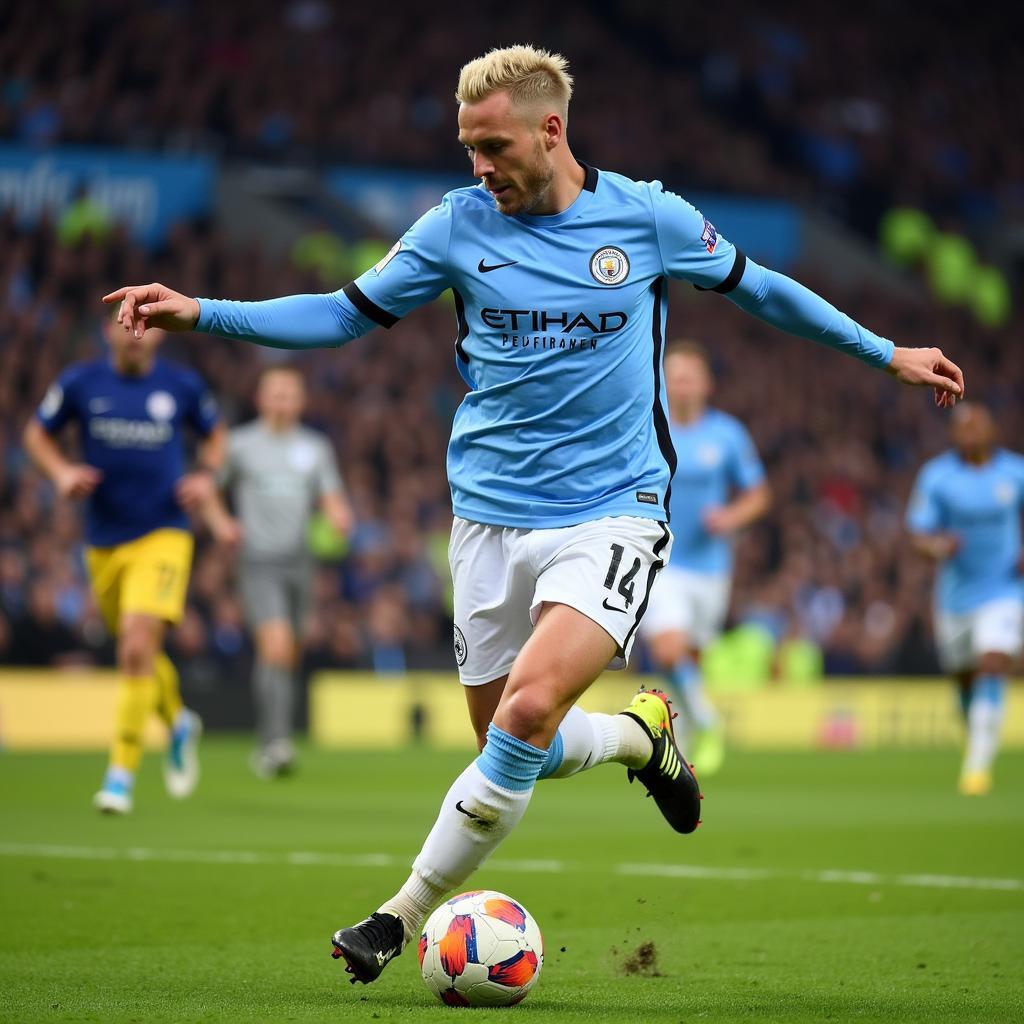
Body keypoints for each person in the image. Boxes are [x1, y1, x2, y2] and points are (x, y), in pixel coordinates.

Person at [103, 45, 963, 983]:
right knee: (513, 746)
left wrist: (886, 352)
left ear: (551, 131)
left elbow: (763, 289)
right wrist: (206, 313)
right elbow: (344, 313)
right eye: (468, 146)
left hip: (612, 511)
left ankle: (398, 915)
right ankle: (641, 737)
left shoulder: (645, 217)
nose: (478, 166)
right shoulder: (453, 227)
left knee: (526, 714)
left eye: (493, 145)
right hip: (486, 518)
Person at [23, 318, 224, 814]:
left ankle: (120, 775)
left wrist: (206, 476)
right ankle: (177, 720)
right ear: (106, 332)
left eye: (146, 325)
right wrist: (62, 471)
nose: (136, 333)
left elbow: (215, 435)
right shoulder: (79, 382)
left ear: (159, 334)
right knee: (140, 652)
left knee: (136, 644)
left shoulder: (181, 385)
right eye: (125, 325)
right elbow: (36, 434)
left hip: (164, 532)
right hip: (103, 540)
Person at [203, 364, 353, 778]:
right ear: (261, 399)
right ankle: (276, 743)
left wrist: (340, 517)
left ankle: (270, 737)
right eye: (277, 393)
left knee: (288, 652)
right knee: (276, 644)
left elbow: (331, 495)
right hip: (258, 561)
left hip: (301, 562)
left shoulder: (315, 447)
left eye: (291, 393)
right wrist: (222, 525)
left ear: (302, 401)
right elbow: (209, 491)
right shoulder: (239, 444)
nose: (284, 400)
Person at [638, 341, 770, 775]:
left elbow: (759, 495)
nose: (681, 384)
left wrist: (731, 516)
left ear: (706, 384)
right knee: (669, 646)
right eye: (673, 375)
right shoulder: (646, 425)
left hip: (711, 568)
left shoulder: (727, 434)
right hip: (661, 560)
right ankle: (710, 724)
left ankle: (689, 736)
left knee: (687, 658)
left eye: (689, 375)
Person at [906, 403, 1023, 795]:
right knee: (963, 679)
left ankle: (977, 766)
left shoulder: (1014, 473)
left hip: (1005, 590)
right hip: (956, 597)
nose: (970, 432)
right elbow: (919, 536)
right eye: (962, 427)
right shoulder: (938, 477)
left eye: (977, 425)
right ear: (953, 434)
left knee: (993, 660)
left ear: (992, 429)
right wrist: (938, 547)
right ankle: (975, 728)